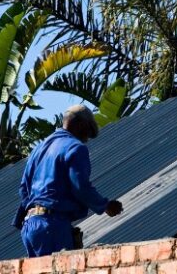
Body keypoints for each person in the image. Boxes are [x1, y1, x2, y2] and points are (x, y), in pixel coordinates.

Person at [14, 105, 123, 257]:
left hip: (30, 226)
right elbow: (80, 186)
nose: (86, 139)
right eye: (88, 133)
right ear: (80, 125)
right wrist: (105, 205)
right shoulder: (75, 148)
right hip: (52, 225)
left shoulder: (39, 148)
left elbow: (24, 189)